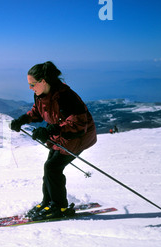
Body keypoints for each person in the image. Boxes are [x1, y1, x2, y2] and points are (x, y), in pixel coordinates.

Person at [10, 61, 97, 220]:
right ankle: (48, 201)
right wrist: (22, 120)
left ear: (43, 81)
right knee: (49, 167)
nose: (30, 88)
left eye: (32, 84)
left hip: (78, 136)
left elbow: (78, 124)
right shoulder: (41, 95)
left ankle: (60, 206)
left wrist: (49, 130)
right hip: (63, 135)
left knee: (52, 168)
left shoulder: (66, 97)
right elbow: (38, 112)